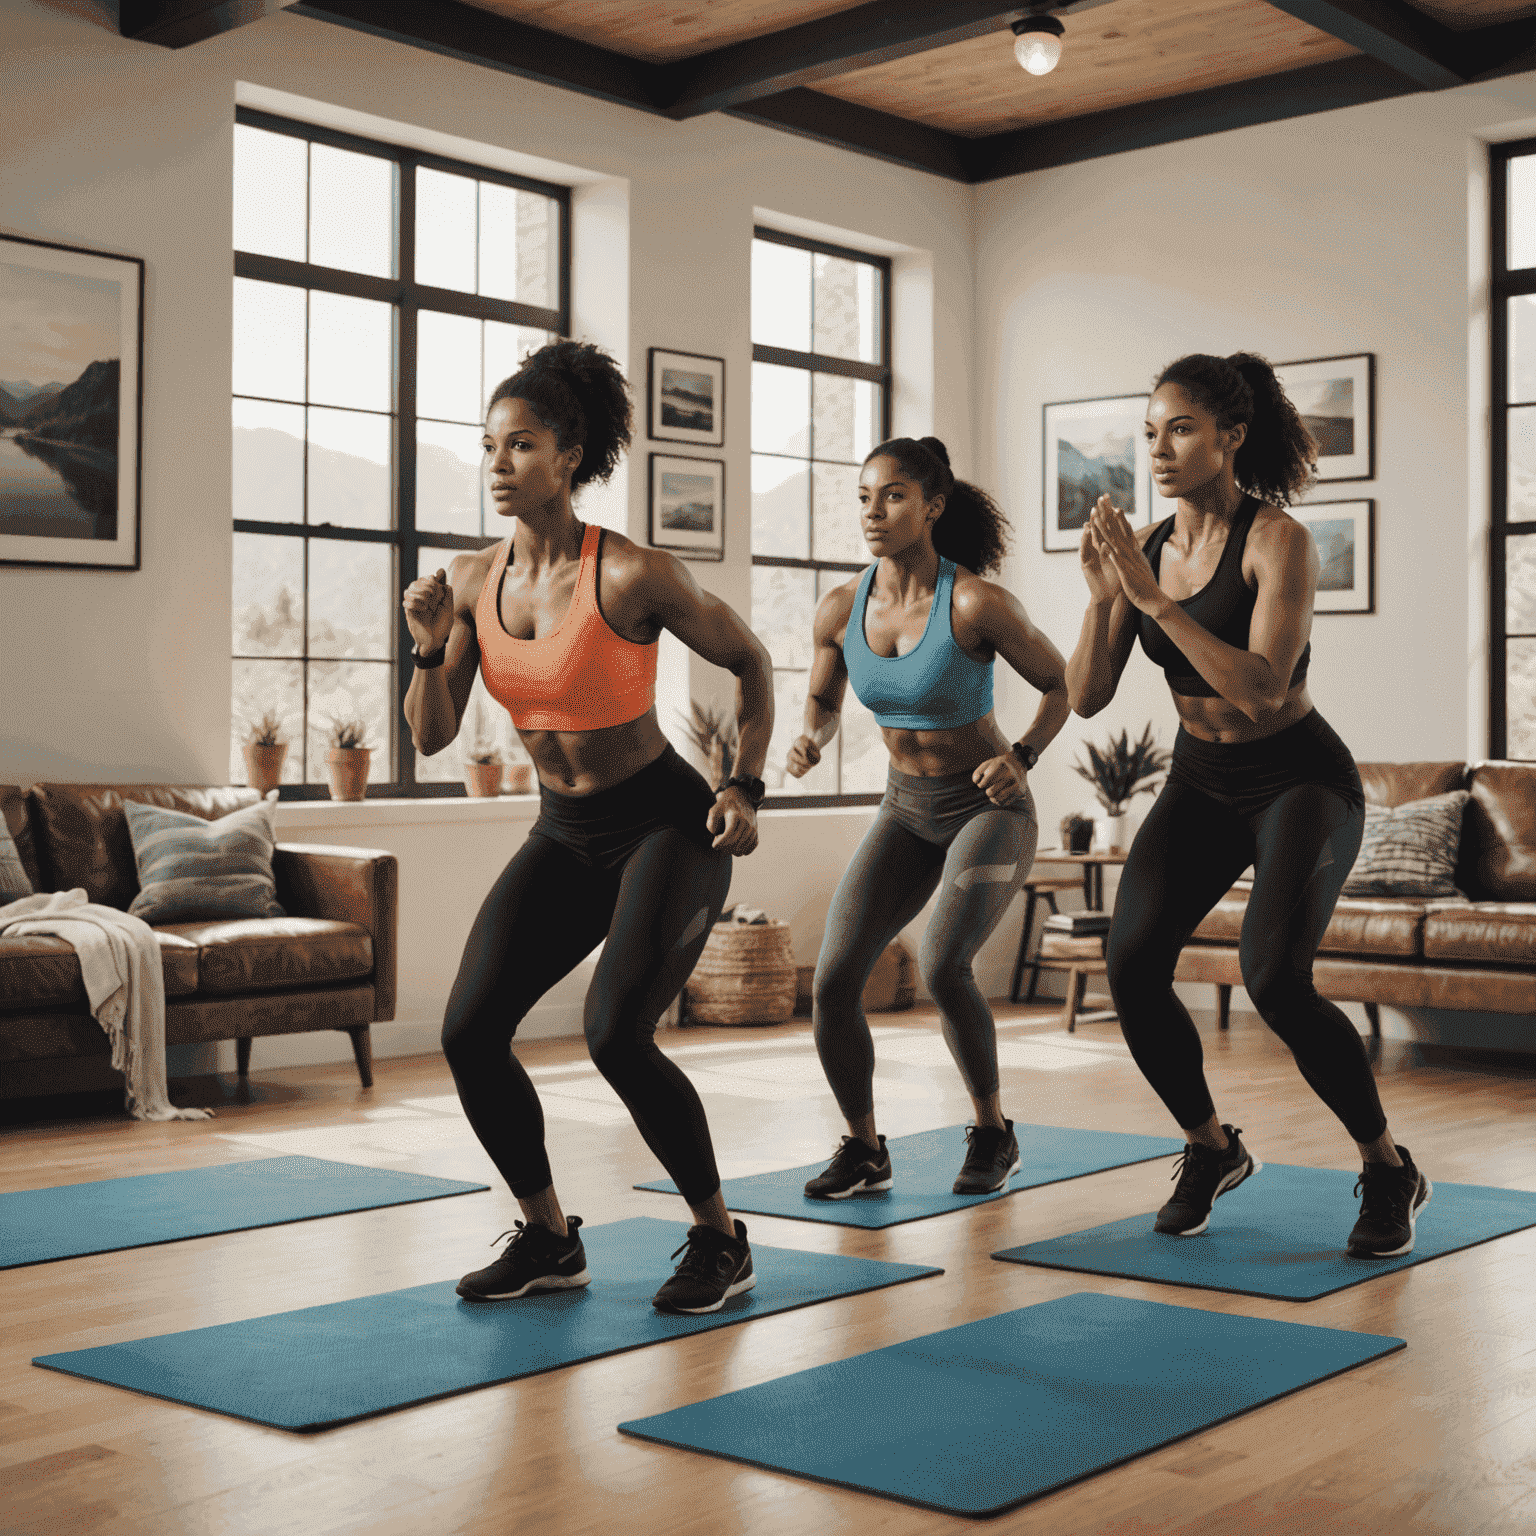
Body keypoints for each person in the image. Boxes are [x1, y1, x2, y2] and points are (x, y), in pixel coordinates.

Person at [402, 340, 774, 1314]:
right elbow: (432, 735)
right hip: (563, 832)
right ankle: (547, 1236)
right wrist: (424, 648)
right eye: (487, 446)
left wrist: (745, 785)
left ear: (568, 457)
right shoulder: (471, 581)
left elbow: (750, 662)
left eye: (519, 446)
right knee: (470, 1030)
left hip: (666, 823)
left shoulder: (632, 575)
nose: (496, 464)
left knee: (616, 1035)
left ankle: (720, 1237)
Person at [1066, 351, 1430, 1258]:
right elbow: (1085, 696)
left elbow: (1265, 691)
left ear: (1230, 437)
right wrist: (1103, 598)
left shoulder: (1279, 542)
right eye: (1150, 431)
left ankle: (1389, 1168)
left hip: (1298, 777)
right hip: (1201, 780)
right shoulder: (1142, 551)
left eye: (1181, 429)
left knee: (1274, 978)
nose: (1159, 448)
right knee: (1132, 962)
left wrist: (1153, 600)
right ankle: (1210, 1146)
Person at [787, 436, 1070, 1198]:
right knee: (834, 979)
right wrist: (812, 737)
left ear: (933, 506)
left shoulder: (975, 602)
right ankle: (864, 1147)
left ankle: (991, 1131)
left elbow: (1059, 683)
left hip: (988, 808)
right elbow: (822, 696)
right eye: (865, 497)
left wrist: (1023, 755)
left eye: (894, 496)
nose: (874, 513)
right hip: (904, 809)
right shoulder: (843, 606)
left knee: (945, 962)